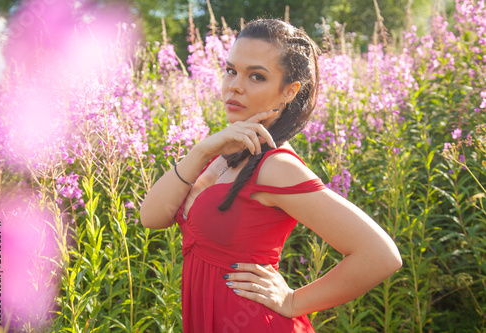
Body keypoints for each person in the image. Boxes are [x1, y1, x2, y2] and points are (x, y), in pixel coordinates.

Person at [140, 18, 402, 332]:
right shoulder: (227, 151)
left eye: (256, 76)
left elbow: (380, 256)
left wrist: (292, 302)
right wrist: (202, 151)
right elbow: (152, 216)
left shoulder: (276, 167)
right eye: (231, 70)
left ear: (288, 92)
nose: (235, 85)